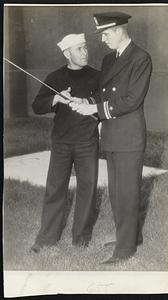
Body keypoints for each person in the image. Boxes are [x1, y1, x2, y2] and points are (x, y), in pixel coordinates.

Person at [70, 12, 152, 264]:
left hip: (129, 136)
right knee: (117, 193)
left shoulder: (141, 58)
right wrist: (87, 101)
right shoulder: (109, 60)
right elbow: (103, 94)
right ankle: (130, 237)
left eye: (105, 34)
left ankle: (125, 250)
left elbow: (131, 101)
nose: (103, 39)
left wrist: (95, 109)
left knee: (126, 193)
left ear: (118, 31)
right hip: (113, 136)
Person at [31, 33, 100, 253]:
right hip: (61, 143)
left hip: (87, 142)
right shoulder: (55, 77)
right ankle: (47, 238)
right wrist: (56, 98)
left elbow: (104, 100)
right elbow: (37, 106)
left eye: (85, 48)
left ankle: (81, 239)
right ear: (67, 53)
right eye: (79, 49)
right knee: (55, 189)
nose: (85, 52)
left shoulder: (97, 76)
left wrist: (87, 101)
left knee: (87, 190)